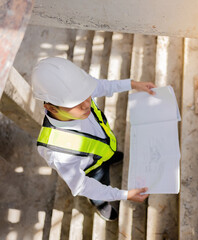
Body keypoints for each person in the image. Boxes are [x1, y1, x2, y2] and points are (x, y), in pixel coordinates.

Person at [31, 57, 155, 221]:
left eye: (86, 95)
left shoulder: (80, 90)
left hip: (102, 148)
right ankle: (101, 204)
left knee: (108, 155)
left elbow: (101, 86)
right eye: (75, 103)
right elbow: (83, 185)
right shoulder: (56, 150)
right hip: (92, 171)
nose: (86, 104)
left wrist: (133, 84)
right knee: (99, 186)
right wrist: (123, 195)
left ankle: (109, 157)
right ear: (51, 108)